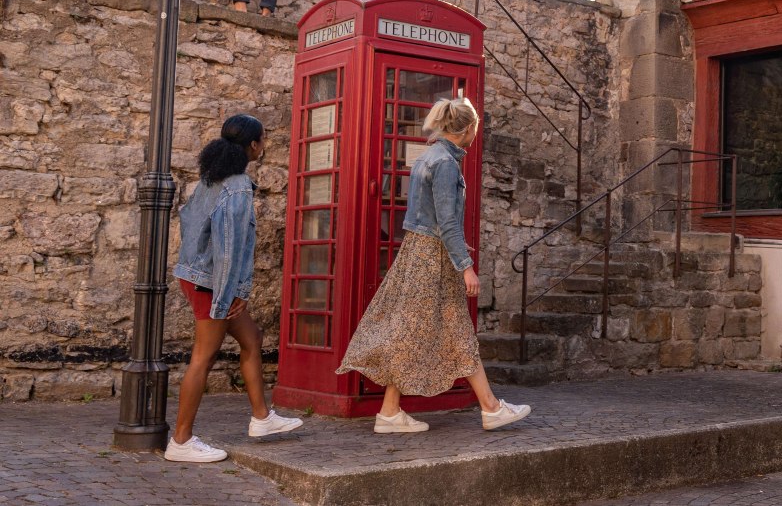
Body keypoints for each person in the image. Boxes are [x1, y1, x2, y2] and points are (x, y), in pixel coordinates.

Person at [336, 97, 531, 433]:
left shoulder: (428, 156)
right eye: (476, 127)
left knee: (423, 329)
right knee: (436, 328)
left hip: (419, 250)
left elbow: (427, 217)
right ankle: (489, 407)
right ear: (469, 129)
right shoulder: (446, 164)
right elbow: (447, 222)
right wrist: (466, 265)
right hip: (432, 258)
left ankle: (393, 411)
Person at [168, 114, 303, 463]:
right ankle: (180, 441)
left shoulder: (212, 177)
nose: (265, 145)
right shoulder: (238, 185)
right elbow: (228, 248)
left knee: (252, 338)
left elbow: (187, 217)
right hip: (212, 283)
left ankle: (262, 418)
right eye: (264, 139)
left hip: (198, 275)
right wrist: (232, 295)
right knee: (203, 356)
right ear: (253, 145)